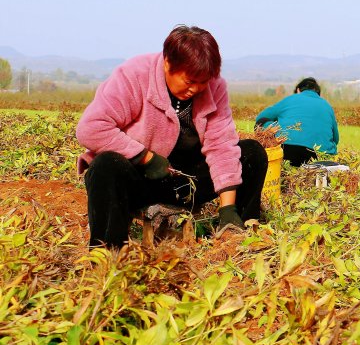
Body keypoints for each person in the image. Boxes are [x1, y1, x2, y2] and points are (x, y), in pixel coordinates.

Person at [76, 25, 269, 248]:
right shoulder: (134, 75)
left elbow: (221, 145)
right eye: (189, 81)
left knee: (252, 153)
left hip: (186, 182)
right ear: (168, 63)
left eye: (203, 82)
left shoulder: (215, 87)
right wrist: (144, 157)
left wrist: (227, 207)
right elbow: (91, 128)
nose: (196, 89)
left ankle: (238, 234)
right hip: (142, 178)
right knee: (105, 165)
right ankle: (108, 253)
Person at [254, 77, 339, 167]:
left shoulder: (290, 99)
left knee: (261, 122)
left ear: (298, 90)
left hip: (287, 151)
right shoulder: (327, 106)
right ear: (318, 94)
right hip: (319, 157)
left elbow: (261, 118)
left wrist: (278, 127)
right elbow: (336, 139)